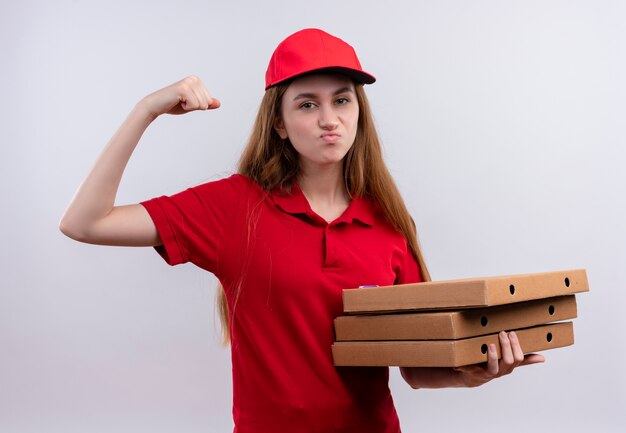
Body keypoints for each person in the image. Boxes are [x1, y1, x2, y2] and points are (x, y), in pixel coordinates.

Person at [60, 28, 544, 433]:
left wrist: (474, 374)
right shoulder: (234, 207)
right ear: (280, 124)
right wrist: (146, 109)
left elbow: (414, 366)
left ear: (359, 112)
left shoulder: (389, 222)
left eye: (342, 101)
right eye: (307, 105)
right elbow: (85, 223)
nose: (330, 120)